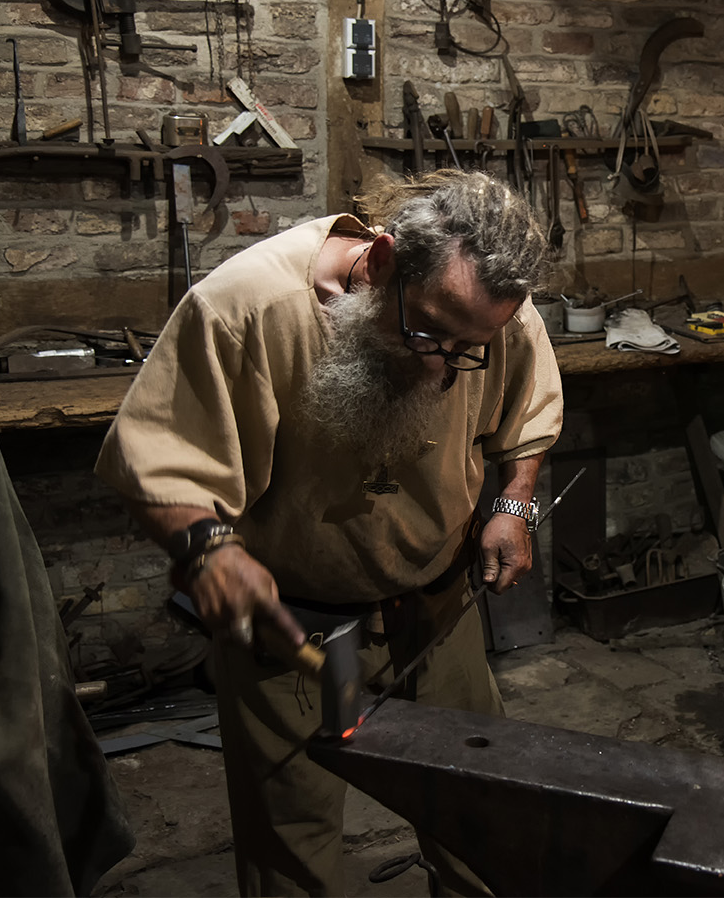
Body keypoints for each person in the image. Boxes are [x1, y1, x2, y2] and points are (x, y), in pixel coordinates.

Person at [95, 169, 563, 895]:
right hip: (293, 630)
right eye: (428, 332)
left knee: (480, 820)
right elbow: (159, 463)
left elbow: (527, 410)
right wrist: (208, 549)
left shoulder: (487, 310)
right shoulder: (244, 308)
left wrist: (515, 503)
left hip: (438, 607)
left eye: (469, 346)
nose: (444, 365)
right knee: (293, 851)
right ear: (379, 263)